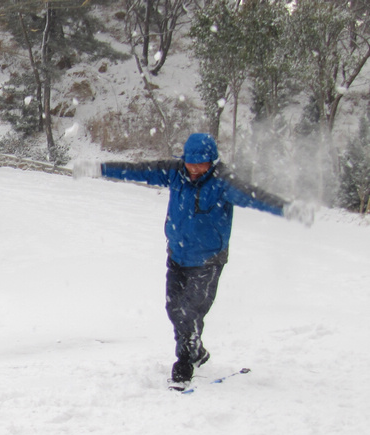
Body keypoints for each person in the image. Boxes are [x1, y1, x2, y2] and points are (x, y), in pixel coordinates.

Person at [75, 133, 313, 385]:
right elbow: (137, 170)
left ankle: (185, 360)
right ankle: (197, 351)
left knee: (189, 311)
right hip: (177, 255)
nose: (196, 168)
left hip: (208, 261)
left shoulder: (223, 182)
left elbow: (253, 196)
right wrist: (99, 168)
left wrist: (286, 208)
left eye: (202, 163)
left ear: (212, 161)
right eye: (191, 162)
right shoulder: (175, 172)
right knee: (174, 309)